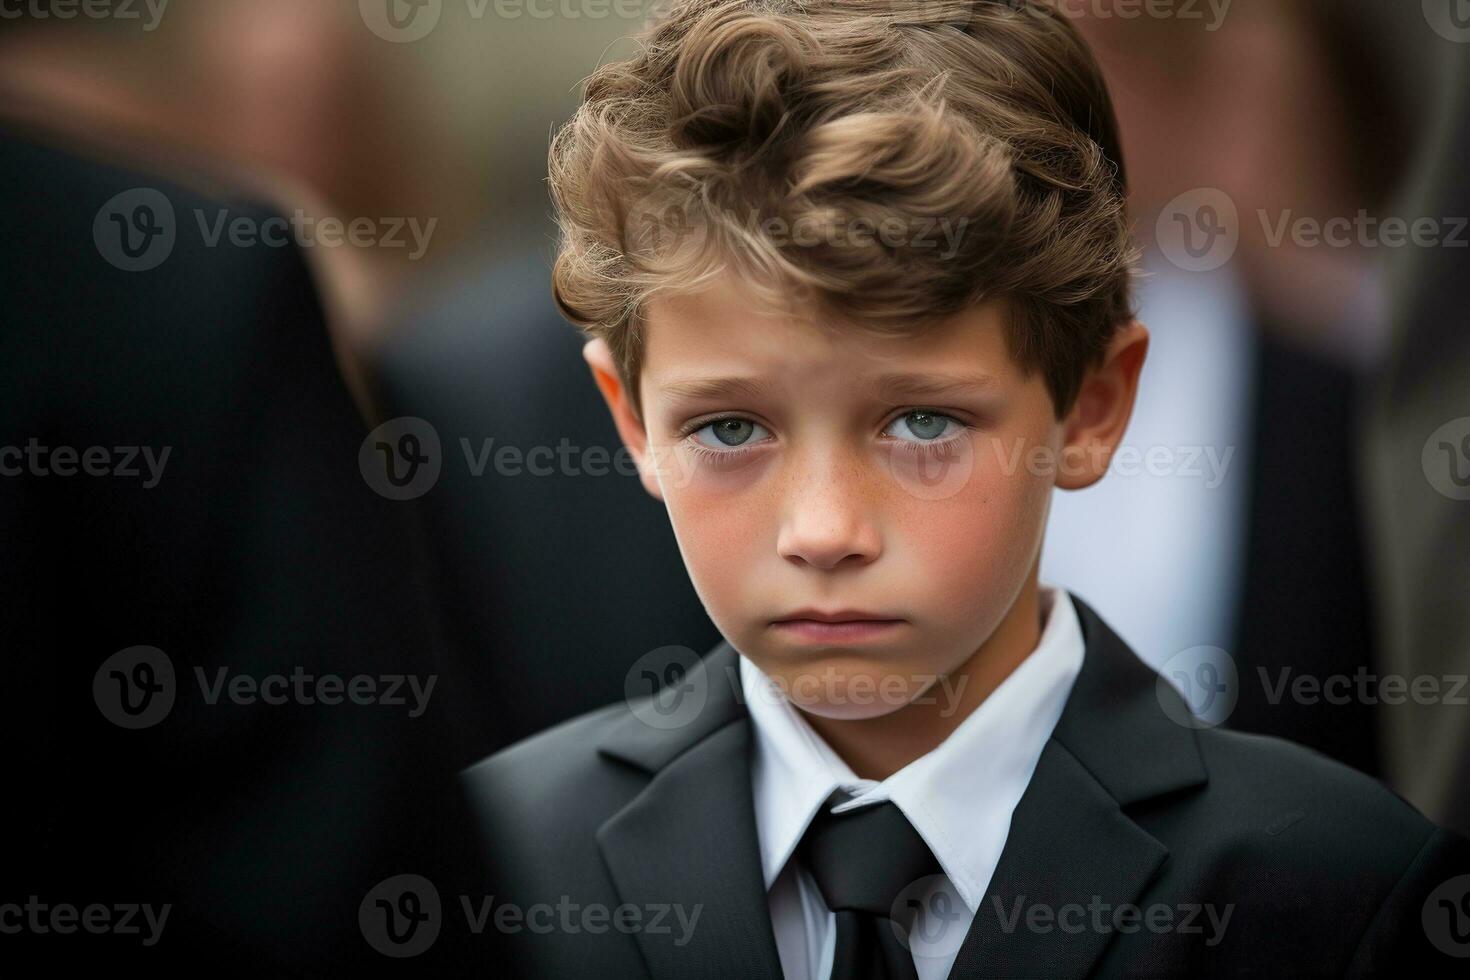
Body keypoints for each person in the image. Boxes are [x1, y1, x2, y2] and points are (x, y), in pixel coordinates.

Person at [460, 2, 1470, 977]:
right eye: (729, 428)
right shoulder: (491, 870)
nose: (824, 531)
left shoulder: (1339, 892)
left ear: (1089, 407)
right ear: (630, 417)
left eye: (922, 422)